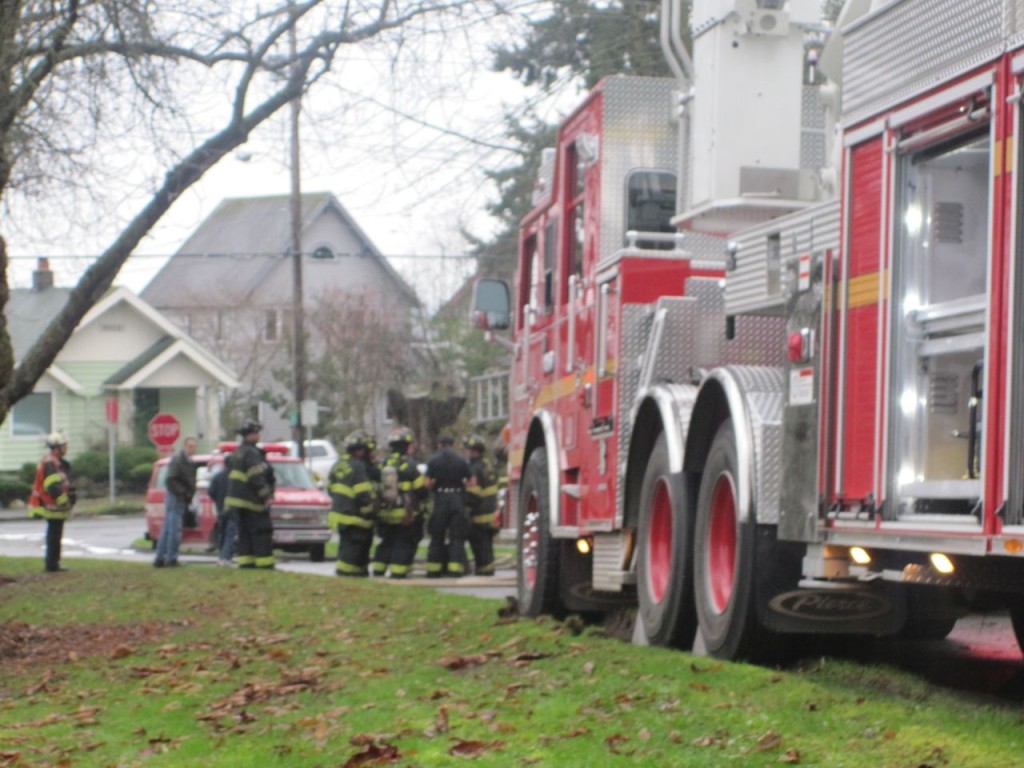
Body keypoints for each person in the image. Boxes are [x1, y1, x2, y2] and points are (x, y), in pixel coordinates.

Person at [372, 426, 427, 579]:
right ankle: (398, 572)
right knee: (403, 543)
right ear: (407, 446)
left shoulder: (382, 464)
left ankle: (378, 570)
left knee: (386, 542)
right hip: (404, 514)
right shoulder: (409, 465)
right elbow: (421, 491)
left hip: (385, 513)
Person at [225, 420, 276, 569]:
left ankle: (246, 563)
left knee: (245, 533)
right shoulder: (252, 453)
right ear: (249, 435)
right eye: (256, 433)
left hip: (239, 502)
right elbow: (256, 477)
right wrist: (267, 496)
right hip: (252, 501)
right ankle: (264, 564)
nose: (258, 436)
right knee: (262, 531)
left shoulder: (238, 452)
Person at [327, 430, 376, 576]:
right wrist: (371, 512)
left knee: (348, 549)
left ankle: (353, 577)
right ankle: (345, 578)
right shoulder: (358, 466)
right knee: (352, 556)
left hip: (340, 516)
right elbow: (363, 494)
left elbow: (330, 488)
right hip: (355, 518)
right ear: (360, 450)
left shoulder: (338, 464)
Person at [424, 434, 472, 578]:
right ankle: (455, 570)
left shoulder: (433, 460)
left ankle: (433, 570)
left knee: (437, 536)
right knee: (456, 536)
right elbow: (472, 481)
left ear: (439, 444)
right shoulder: (461, 460)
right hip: (457, 499)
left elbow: (426, 483)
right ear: (452, 444)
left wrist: (434, 488)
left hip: (440, 499)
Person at [28, 431, 76, 573]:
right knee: (54, 536)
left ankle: (54, 564)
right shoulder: (51, 463)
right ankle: (52, 565)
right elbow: (51, 485)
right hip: (51, 506)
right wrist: (63, 499)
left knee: (56, 535)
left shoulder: (56, 462)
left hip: (56, 508)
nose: (66, 448)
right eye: (64, 445)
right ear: (56, 447)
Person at [154, 436, 198, 568]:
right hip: (175, 497)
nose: (192, 449)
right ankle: (171, 558)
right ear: (184, 447)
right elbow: (171, 480)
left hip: (181, 497)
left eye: (193, 446)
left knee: (168, 528)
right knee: (174, 529)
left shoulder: (189, 462)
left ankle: (160, 557)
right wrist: (184, 493)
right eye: (189, 446)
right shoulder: (178, 460)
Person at [463, 434, 499, 576]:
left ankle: (484, 572)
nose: (465, 452)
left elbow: (473, 494)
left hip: (479, 515)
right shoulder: (488, 465)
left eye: (467, 449)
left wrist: (466, 509)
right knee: (487, 546)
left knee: (480, 546)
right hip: (491, 515)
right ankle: (487, 570)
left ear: (474, 451)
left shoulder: (474, 468)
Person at [207, 464, 234, 566]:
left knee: (222, 532)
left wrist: (217, 500)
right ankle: (226, 557)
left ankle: (221, 556)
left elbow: (210, 491)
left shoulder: (218, 476)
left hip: (220, 508)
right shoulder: (234, 476)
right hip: (232, 508)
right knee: (230, 533)